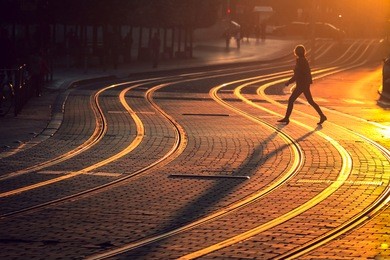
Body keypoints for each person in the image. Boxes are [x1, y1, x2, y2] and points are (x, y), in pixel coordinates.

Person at [278, 45, 327, 125]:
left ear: (297, 52)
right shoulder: (303, 60)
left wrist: (289, 82)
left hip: (302, 84)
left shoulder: (301, 61)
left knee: (291, 100)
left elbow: (297, 74)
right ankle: (322, 116)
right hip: (304, 84)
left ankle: (287, 118)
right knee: (310, 101)